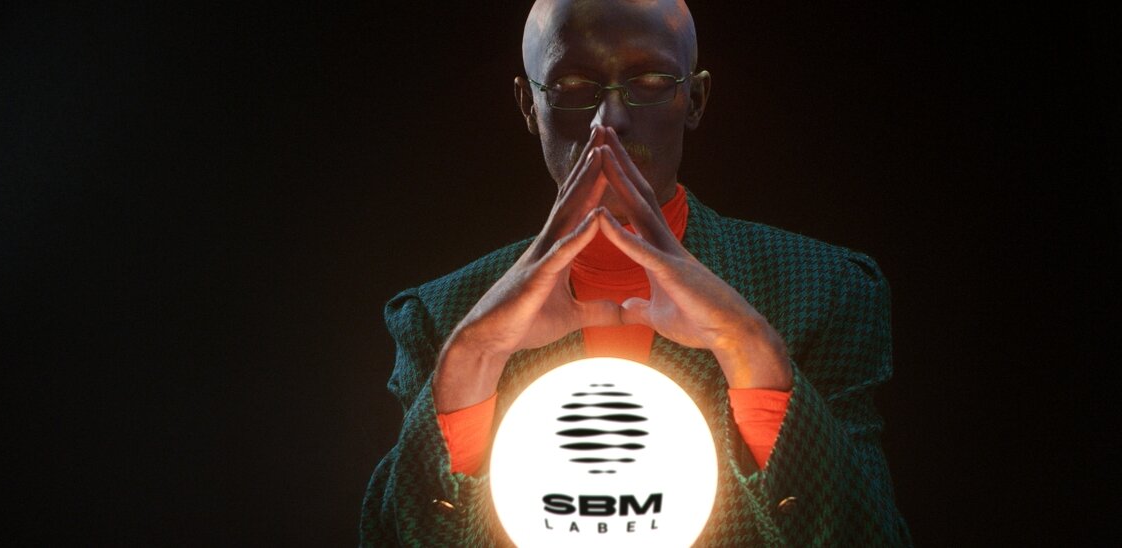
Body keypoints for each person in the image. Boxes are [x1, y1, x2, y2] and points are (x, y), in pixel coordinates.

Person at [360, 1, 912, 545]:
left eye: (649, 81)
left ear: (694, 99)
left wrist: (750, 348)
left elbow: (871, 536)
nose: (609, 122)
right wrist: (474, 356)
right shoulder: (441, 318)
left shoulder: (824, 290)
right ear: (529, 104)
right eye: (573, 86)